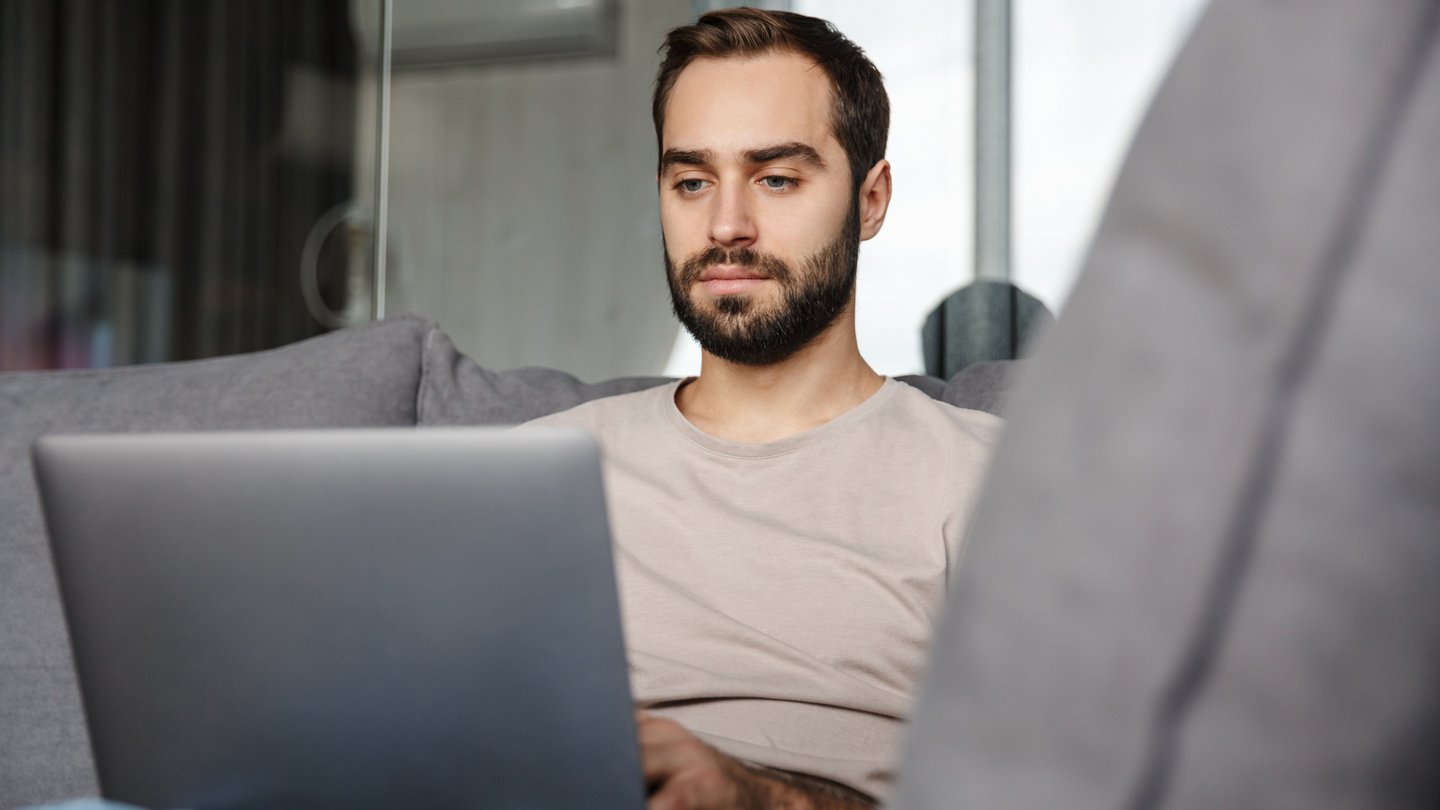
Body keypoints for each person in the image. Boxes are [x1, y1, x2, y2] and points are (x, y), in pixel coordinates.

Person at [524, 8, 1001, 809]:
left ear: (871, 200)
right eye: (692, 182)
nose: (726, 227)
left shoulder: (988, 480)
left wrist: (757, 798)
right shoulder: (536, 472)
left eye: (777, 177)